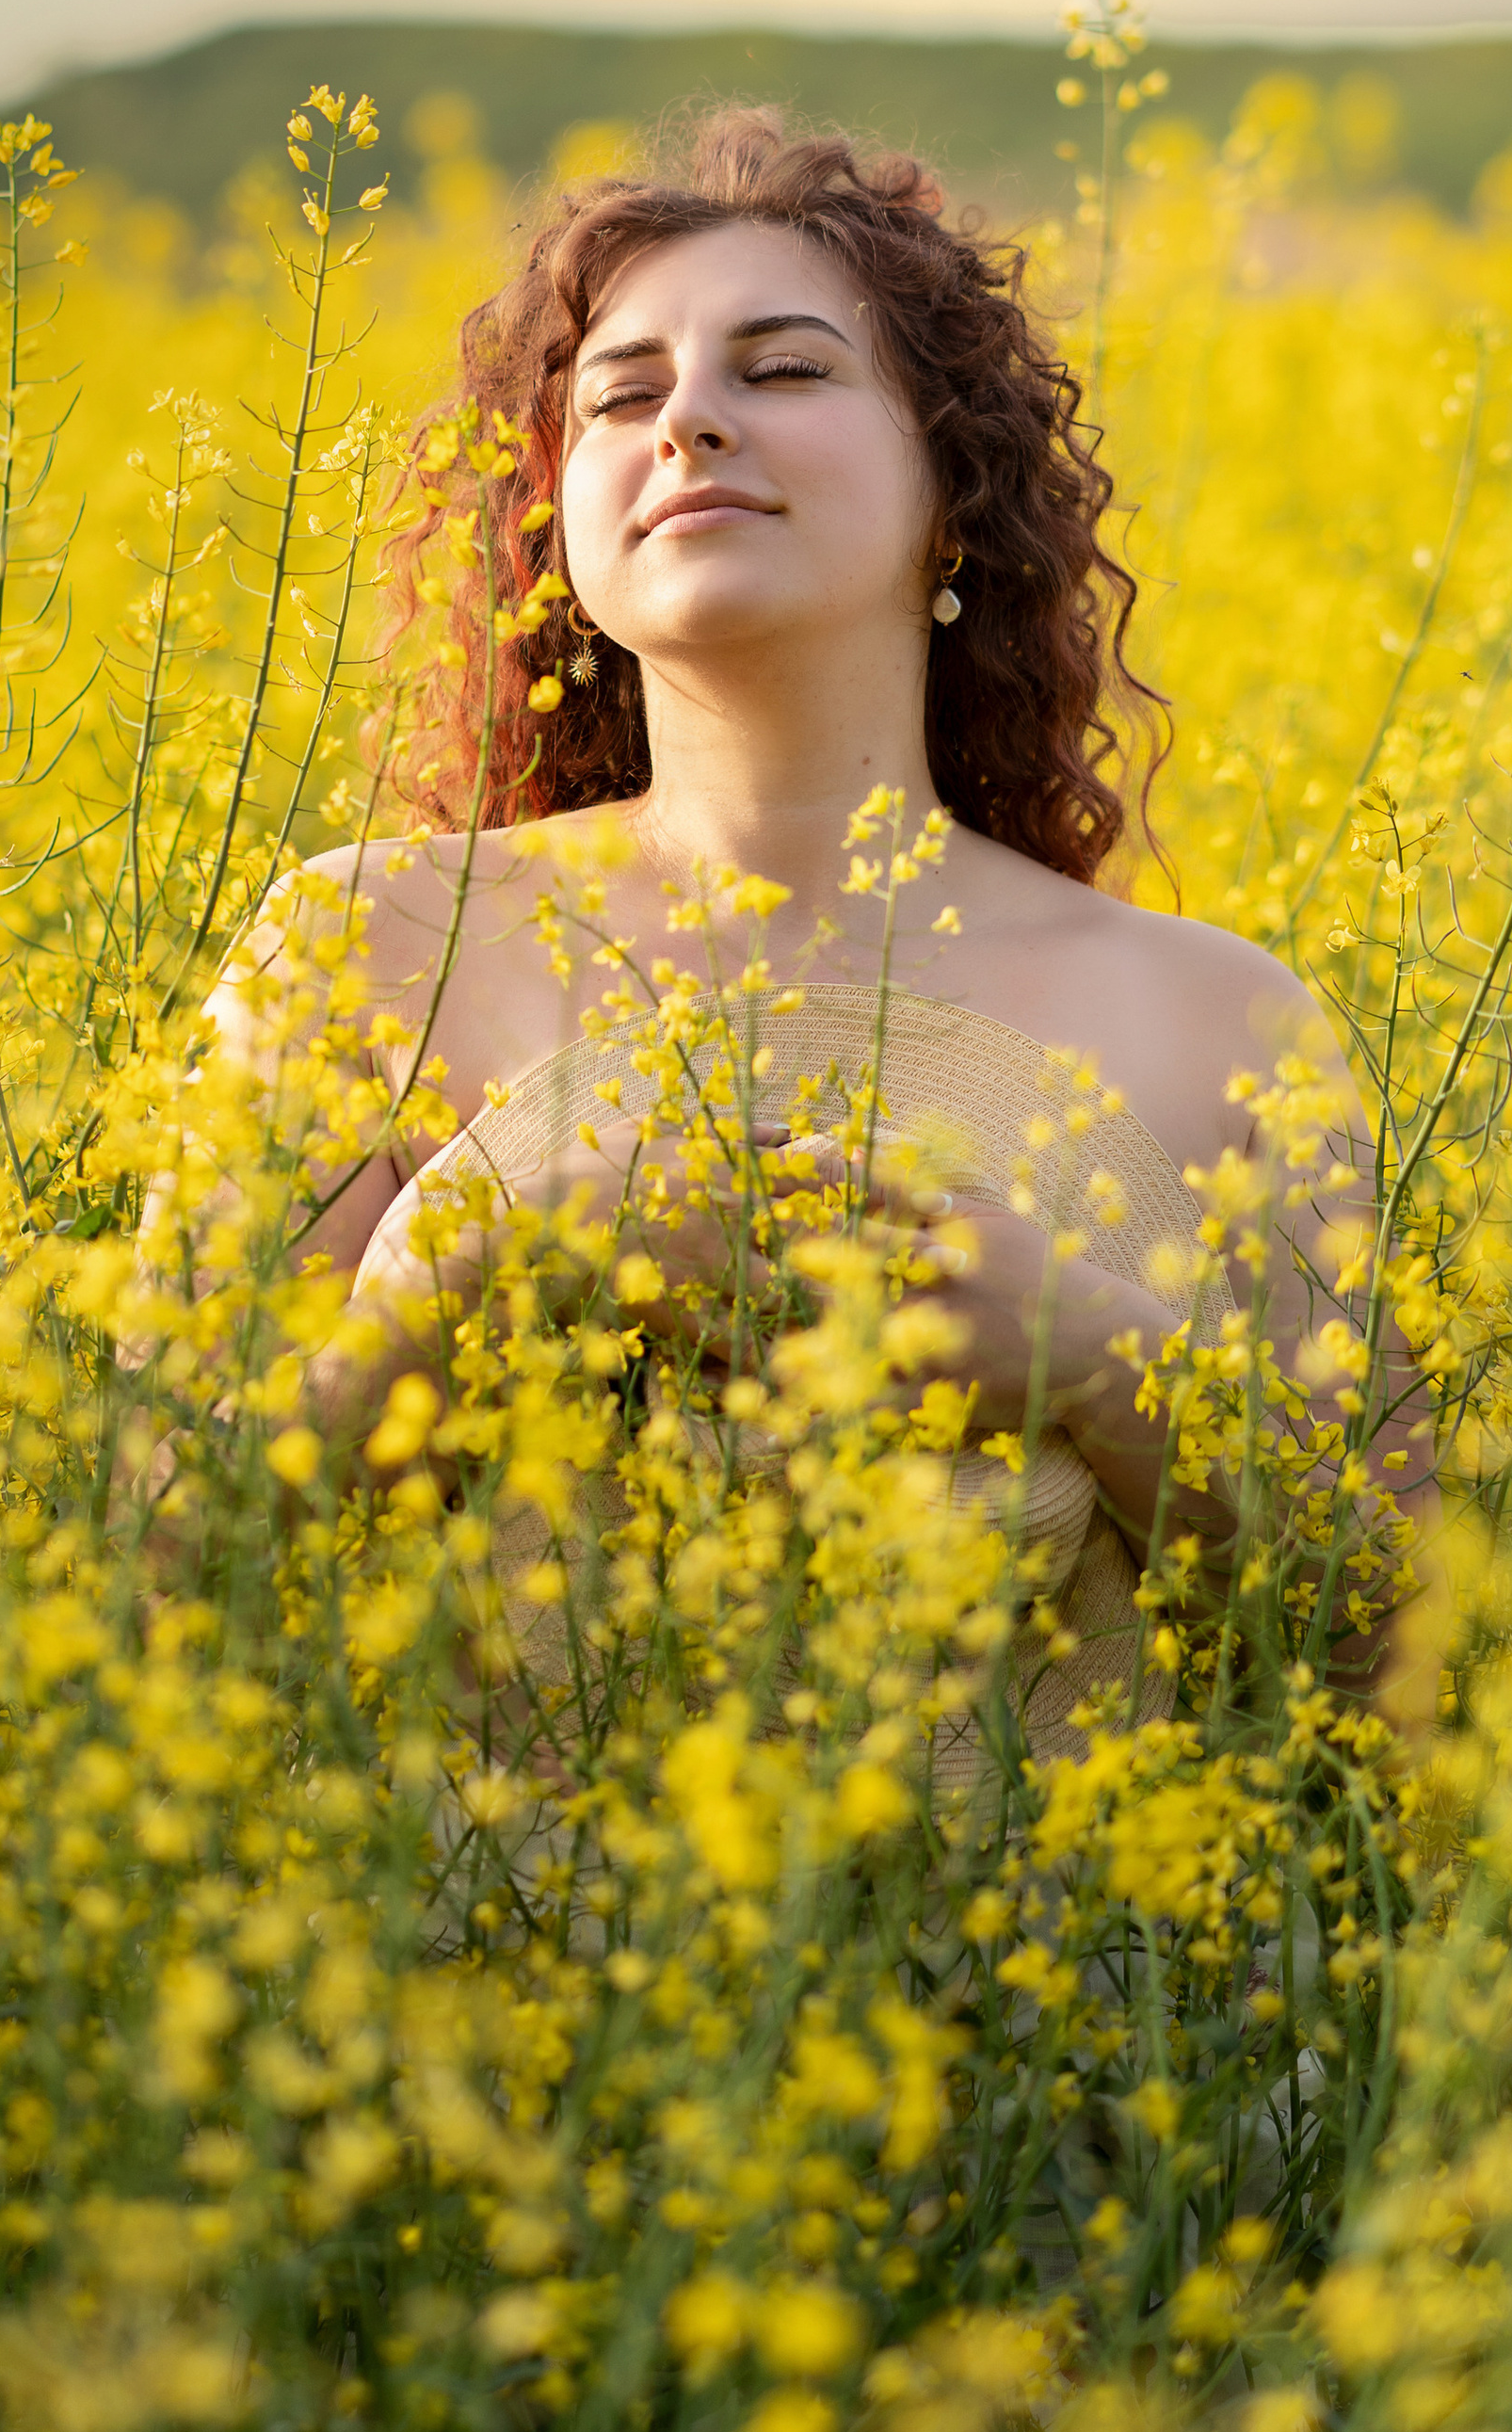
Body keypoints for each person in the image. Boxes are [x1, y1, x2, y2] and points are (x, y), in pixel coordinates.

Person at [181, 107, 1438, 1722]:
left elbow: (1396, 1664)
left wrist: (1091, 1360)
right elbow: (163, 1563)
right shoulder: (360, 951)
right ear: (557, 527)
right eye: (618, 396)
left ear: (956, 496)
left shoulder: (1220, 1022)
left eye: (782, 370)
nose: (689, 419)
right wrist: (488, 1263)